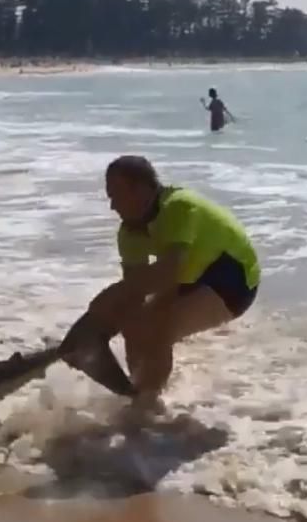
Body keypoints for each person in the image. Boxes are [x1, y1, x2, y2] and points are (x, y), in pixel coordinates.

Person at [87, 155, 260, 408]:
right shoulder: (129, 232)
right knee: (133, 321)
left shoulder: (178, 206)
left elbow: (168, 271)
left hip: (234, 280)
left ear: (142, 189)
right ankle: (137, 391)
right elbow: (134, 295)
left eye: (116, 195)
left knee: (158, 328)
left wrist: (111, 295)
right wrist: (108, 321)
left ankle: (146, 404)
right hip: (188, 279)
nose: (112, 206)